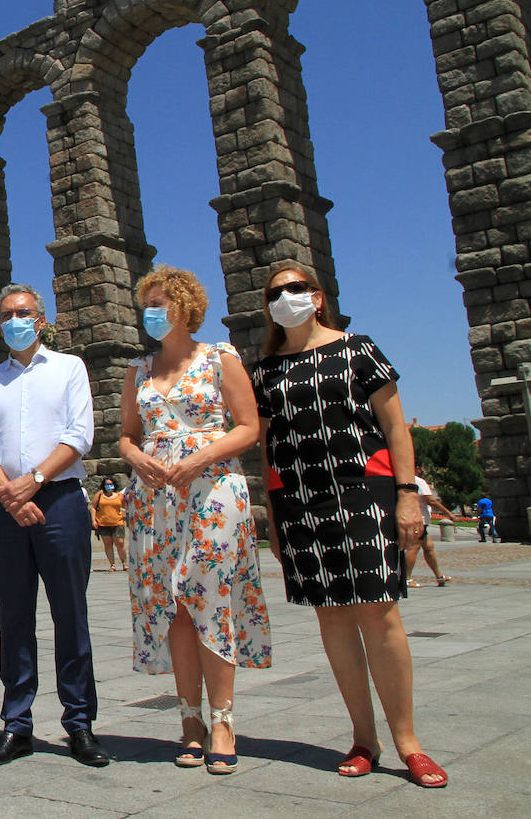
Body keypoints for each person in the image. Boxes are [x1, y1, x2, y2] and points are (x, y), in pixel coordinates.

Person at [252, 260, 447, 788]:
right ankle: (364, 737)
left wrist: (408, 495)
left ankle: (409, 742)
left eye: (294, 288)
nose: (284, 297)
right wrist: (271, 513)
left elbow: (394, 425)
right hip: (299, 502)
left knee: (379, 616)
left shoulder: (358, 349)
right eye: (275, 293)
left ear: (317, 297)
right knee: (332, 621)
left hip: (363, 491)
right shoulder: (265, 370)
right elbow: (268, 446)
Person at [118, 267, 271, 775]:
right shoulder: (138, 369)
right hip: (154, 497)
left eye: (161, 303)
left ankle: (222, 719)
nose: (152, 313)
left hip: (212, 491)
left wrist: (199, 458)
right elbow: (125, 435)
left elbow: (248, 426)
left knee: (210, 602)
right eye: (148, 305)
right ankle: (189, 719)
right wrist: (135, 457)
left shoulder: (220, 358)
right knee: (173, 608)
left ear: (185, 307)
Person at [0, 285, 109, 768]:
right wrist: (10, 493)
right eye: (6, 314)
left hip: (61, 500)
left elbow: (79, 435)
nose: (14, 320)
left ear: (41, 320)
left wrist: (33, 481)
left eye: (22, 313)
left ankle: (79, 724)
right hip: (5, 505)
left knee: (70, 613)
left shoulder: (70, 368)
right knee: (14, 617)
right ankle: (17, 724)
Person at [405, 467, 452, 587]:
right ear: (418, 469)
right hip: (419, 520)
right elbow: (431, 500)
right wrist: (448, 513)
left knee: (429, 548)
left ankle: (439, 577)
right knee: (413, 548)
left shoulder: (405, 481)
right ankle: (407, 579)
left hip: (416, 519)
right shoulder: (419, 481)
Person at [92, 477, 128, 572]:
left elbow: (126, 507)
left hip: (117, 523)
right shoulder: (99, 495)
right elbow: (93, 507)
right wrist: (93, 520)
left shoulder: (119, 496)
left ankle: (124, 563)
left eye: (111, 484)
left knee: (120, 543)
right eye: (107, 484)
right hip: (103, 523)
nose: (109, 486)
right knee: (108, 544)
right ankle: (112, 564)